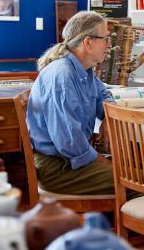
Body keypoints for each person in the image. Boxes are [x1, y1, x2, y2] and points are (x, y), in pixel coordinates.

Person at [27, 11, 115, 195]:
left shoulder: (85, 69)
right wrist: (101, 161)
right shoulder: (62, 77)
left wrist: (108, 114)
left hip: (69, 159)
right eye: (105, 39)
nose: (109, 45)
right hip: (57, 167)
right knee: (143, 181)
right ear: (88, 42)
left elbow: (103, 94)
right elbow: (69, 142)